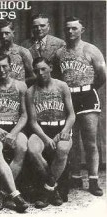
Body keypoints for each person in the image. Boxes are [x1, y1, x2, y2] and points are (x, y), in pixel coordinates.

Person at [54, 16, 106, 196]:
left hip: (87, 95)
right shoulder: (59, 53)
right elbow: (56, 78)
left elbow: (102, 76)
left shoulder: (91, 49)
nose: (70, 32)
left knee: (90, 141)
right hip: (68, 97)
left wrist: (88, 89)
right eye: (67, 28)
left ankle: (93, 180)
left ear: (82, 30)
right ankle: (75, 176)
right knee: (71, 140)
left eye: (74, 28)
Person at [26, 57, 75, 208]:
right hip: (42, 129)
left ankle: (47, 190)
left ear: (51, 68)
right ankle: (54, 190)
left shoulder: (62, 86)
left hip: (61, 127)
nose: (40, 73)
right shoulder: (30, 91)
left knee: (62, 148)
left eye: (43, 69)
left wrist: (65, 131)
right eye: (36, 71)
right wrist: (46, 138)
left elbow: (72, 114)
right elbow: (33, 122)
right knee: (33, 149)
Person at [0, 53, 29, 212]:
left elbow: (24, 115)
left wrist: (14, 133)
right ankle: (16, 195)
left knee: (22, 147)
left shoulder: (20, 86)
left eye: (4, 66)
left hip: (14, 128)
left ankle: (2, 195)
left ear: (10, 66)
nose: (1, 70)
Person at [0, 20, 35, 85]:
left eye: (6, 33)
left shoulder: (23, 52)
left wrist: (20, 83)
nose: (3, 36)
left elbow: (33, 76)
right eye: (1, 34)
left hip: (19, 91)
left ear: (13, 33)